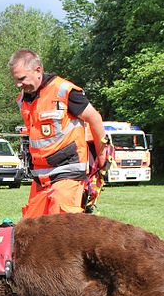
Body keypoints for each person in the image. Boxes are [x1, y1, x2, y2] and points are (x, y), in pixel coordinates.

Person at [8, 49, 107, 217]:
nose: (18, 84)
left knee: (60, 228)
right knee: (30, 232)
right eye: (16, 80)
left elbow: (94, 118)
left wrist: (102, 154)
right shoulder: (23, 100)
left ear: (38, 70)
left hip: (68, 171)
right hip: (41, 177)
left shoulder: (64, 91)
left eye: (22, 78)